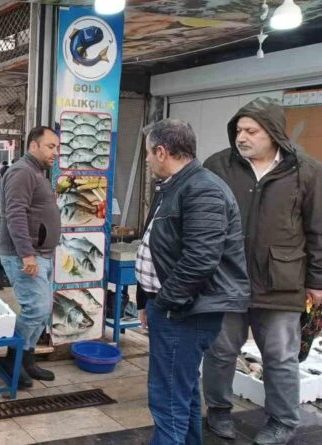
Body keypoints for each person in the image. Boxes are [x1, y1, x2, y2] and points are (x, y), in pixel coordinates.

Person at [202, 97, 322, 445]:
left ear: (272, 133)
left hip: (281, 282)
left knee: (281, 357)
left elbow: (318, 230)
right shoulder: (218, 166)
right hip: (227, 279)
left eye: (251, 131)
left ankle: (283, 420)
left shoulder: (307, 172)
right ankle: (219, 411)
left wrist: (317, 281)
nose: (242, 137)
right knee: (220, 351)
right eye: (239, 130)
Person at [135, 119, 250, 445]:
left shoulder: (203, 189)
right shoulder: (175, 185)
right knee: (180, 391)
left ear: (161, 151)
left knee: (167, 397)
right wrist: (148, 300)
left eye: (147, 153)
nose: (146, 160)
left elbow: (200, 260)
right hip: (172, 308)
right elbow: (158, 246)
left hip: (186, 312)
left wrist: (167, 303)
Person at [0, 125, 61, 388]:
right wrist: (27, 255)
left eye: (57, 147)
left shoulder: (38, 172)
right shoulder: (22, 172)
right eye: (50, 146)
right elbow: (15, 214)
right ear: (33, 145)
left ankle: (28, 358)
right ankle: (12, 360)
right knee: (36, 308)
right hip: (24, 255)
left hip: (41, 254)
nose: (55, 152)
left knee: (43, 309)